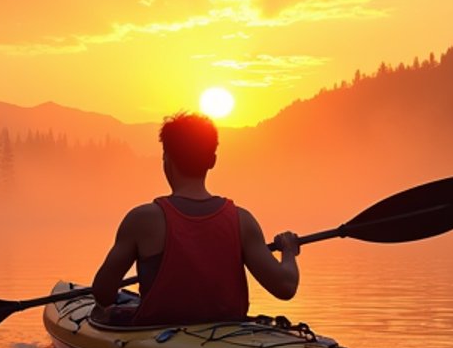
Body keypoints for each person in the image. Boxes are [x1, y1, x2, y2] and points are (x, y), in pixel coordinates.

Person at [91, 111, 300, 325]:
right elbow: (285, 287)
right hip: (228, 336)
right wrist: (289, 251)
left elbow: (103, 293)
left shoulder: (142, 220)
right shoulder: (242, 220)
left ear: (166, 158)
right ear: (212, 160)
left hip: (156, 339)